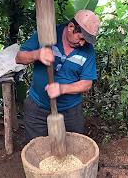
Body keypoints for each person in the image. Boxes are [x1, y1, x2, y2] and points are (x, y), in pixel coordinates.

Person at [15, 10, 101, 143]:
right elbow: (19, 57)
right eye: (81, 38)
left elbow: (86, 83)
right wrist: (37, 54)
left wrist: (62, 89)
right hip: (37, 107)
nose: (83, 43)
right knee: (37, 149)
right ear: (71, 27)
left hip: (70, 111)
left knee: (73, 148)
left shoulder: (88, 51)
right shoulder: (46, 36)